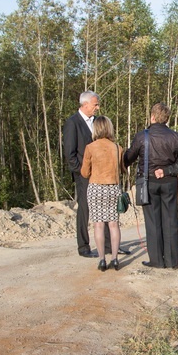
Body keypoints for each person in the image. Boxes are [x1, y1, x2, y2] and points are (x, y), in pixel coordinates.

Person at [62, 91, 131, 258]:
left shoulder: (97, 123)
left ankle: (109, 246)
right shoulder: (73, 123)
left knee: (109, 210)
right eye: (95, 104)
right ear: (85, 104)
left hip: (103, 175)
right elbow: (70, 154)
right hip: (85, 175)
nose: (97, 107)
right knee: (85, 210)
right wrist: (83, 172)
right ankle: (83, 247)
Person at [124, 102, 178, 269]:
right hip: (169, 182)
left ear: (152, 117)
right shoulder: (177, 137)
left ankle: (156, 260)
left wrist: (119, 158)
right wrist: (167, 170)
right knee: (170, 220)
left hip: (148, 182)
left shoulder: (141, 136)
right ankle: (172, 261)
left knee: (153, 221)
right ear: (167, 118)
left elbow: (129, 157)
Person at [80, 116, 125, 271]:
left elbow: (85, 173)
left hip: (96, 188)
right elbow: (123, 169)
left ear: (96, 129)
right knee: (114, 225)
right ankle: (115, 259)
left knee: (98, 225)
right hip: (113, 188)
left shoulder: (90, 147)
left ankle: (101, 260)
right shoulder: (117, 147)